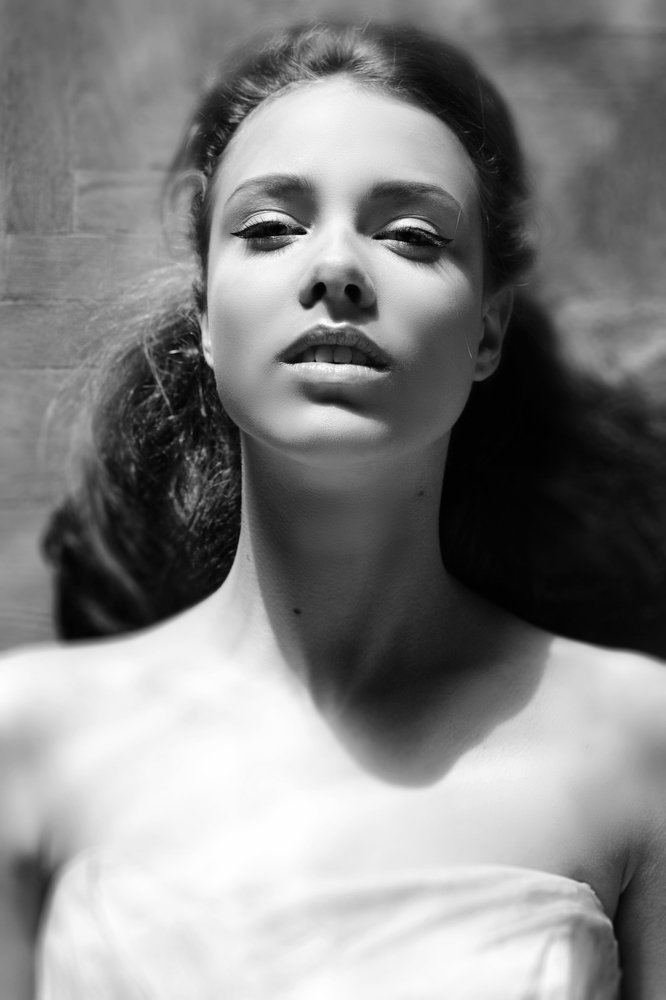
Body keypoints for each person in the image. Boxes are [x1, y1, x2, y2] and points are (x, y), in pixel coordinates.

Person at [1, 18, 665, 998]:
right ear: (205, 315)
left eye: (413, 235)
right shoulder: (26, 739)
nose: (337, 268)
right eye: (272, 228)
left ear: (488, 328)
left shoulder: (639, 744)